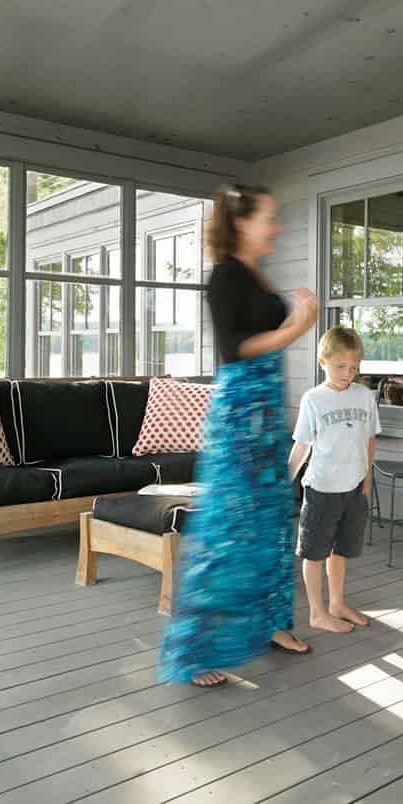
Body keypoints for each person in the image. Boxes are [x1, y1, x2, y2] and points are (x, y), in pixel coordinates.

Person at [159, 184, 318, 688]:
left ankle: (270, 623)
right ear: (241, 222)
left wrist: (294, 320)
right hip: (239, 418)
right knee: (226, 532)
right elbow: (236, 348)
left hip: (266, 417)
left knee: (272, 521)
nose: (277, 227)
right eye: (269, 218)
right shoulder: (224, 277)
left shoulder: (253, 274)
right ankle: (195, 651)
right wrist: (298, 325)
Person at [288, 327, 380, 634]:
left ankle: (337, 603)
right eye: (341, 366)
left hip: (353, 489)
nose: (348, 373)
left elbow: (369, 440)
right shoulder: (313, 399)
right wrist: (284, 481)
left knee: (341, 550)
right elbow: (302, 444)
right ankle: (317, 612)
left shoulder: (365, 396)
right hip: (321, 489)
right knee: (314, 553)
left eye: (353, 367)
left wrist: (366, 480)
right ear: (322, 362)